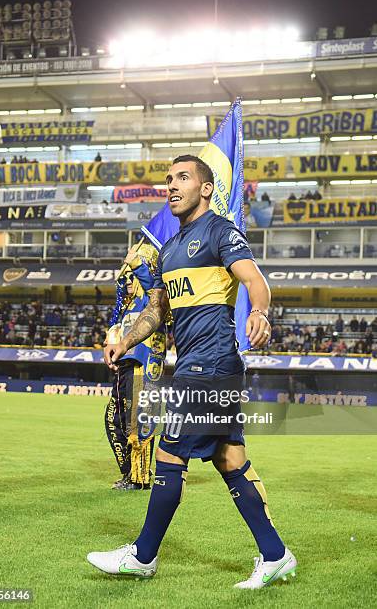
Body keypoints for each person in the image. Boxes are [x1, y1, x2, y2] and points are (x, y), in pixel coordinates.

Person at [88, 155, 297, 589]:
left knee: (169, 455)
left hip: (209, 365)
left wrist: (259, 311)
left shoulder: (220, 231)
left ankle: (143, 556)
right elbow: (157, 310)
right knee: (228, 458)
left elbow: (257, 280)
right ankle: (275, 555)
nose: (172, 185)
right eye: (168, 179)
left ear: (205, 188)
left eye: (183, 177)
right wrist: (123, 341)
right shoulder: (168, 249)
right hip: (204, 367)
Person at [104, 246, 166, 490]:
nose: (128, 281)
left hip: (144, 367)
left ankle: (140, 479)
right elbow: (116, 327)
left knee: (139, 424)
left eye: (132, 276)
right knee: (113, 421)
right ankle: (129, 473)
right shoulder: (129, 306)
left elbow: (155, 292)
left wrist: (138, 264)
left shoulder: (151, 301)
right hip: (124, 367)